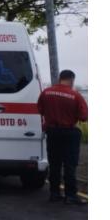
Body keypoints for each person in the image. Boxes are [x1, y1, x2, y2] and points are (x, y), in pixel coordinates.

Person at [38, 69, 89, 205]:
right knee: (70, 165)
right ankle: (70, 195)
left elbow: (40, 110)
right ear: (71, 79)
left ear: (60, 78)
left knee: (54, 164)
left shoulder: (46, 93)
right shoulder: (75, 95)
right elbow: (84, 117)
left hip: (52, 132)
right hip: (69, 133)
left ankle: (54, 194)